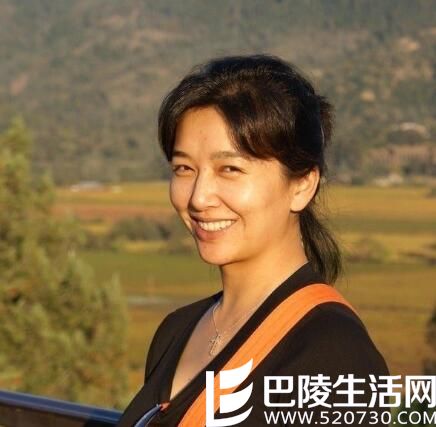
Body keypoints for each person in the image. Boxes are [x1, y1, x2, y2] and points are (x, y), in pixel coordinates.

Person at [117, 54, 390, 427]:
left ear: (302, 185)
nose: (199, 197)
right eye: (184, 168)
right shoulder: (176, 330)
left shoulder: (334, 353)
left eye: (230, 169)